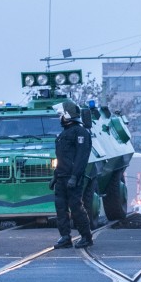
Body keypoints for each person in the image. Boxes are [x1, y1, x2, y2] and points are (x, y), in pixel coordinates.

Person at [51, 100, 94, 249]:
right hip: (62, 177)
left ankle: (86, 236)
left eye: (60, 115)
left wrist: (75, 176)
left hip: (72, 178)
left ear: (67, 115)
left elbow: (81, 157)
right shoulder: (64, 133)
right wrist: (55, 176)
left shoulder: (80, 132)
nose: (59, 118)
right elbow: (62, 158)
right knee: (60, 208)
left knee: (76, 208)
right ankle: (65, 236)